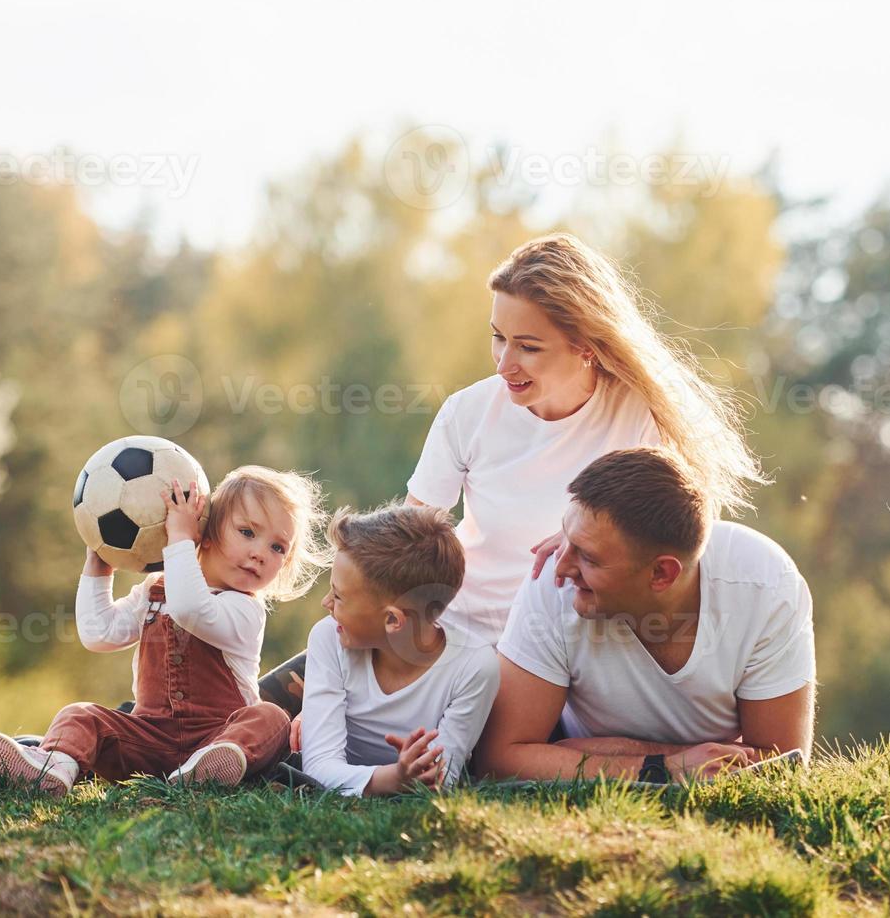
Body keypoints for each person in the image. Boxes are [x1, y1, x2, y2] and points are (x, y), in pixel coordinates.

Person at [261, 232, 765, 713]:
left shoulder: (639, 417)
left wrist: (577, 543)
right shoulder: (469, 412)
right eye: (498, 338)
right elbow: (407, 541)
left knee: (456, 741)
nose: (504, 364)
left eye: (528, 346)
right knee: (272, 704)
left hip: (561, 650)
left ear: (585, 345)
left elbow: (675, 542)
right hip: (452, 634)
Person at [0, 465, 329, 796]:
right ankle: (51, 770)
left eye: (277, 547)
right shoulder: (155, 590)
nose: (260, 553)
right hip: (148, 739)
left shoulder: (244, 608)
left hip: (218, 737)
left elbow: (190, 608)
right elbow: (99, 633)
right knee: (80, 714)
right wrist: (98, 569)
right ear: (206, 530)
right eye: (247, 532)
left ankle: (207, 770)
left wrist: (179, 542)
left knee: (270, 718)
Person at [474, 448, 816, 783]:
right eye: (567, 537)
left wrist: (592, 752)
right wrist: (665, 765)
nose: (562, 566)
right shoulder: (553, 581)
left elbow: (778, 766)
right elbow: (499, 759)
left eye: (589, 558)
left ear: (661, 574)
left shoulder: (766, 588)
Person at [298, 501, 500, 795]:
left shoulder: (475, 666)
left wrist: (416, 776)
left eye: (338, 596)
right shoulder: (329, 637)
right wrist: (394, 779)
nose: (326, 603)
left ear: (393, 619)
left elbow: (439, 778)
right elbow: (318, 767)